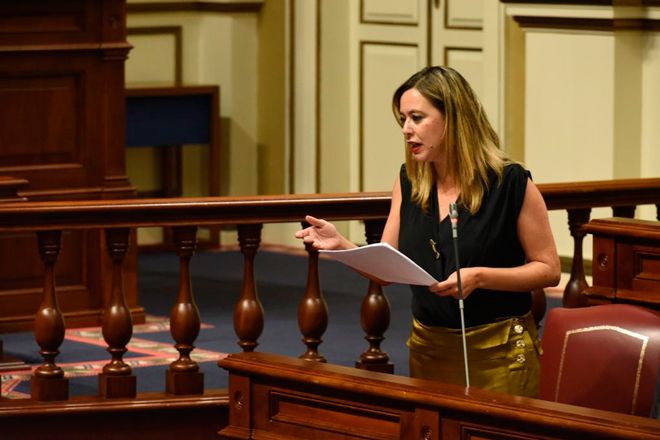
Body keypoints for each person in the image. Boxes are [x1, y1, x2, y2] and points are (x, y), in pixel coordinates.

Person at [295, 66, 560, 397]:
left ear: (453, 118)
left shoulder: (511, 183)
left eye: (417, 118)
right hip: (429, 346)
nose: (407, 129)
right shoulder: (410, 181)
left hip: (500, 350)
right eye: (403, 119)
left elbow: (549, 270)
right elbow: (386, 267)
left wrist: (480, 277)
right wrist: (341, 245)